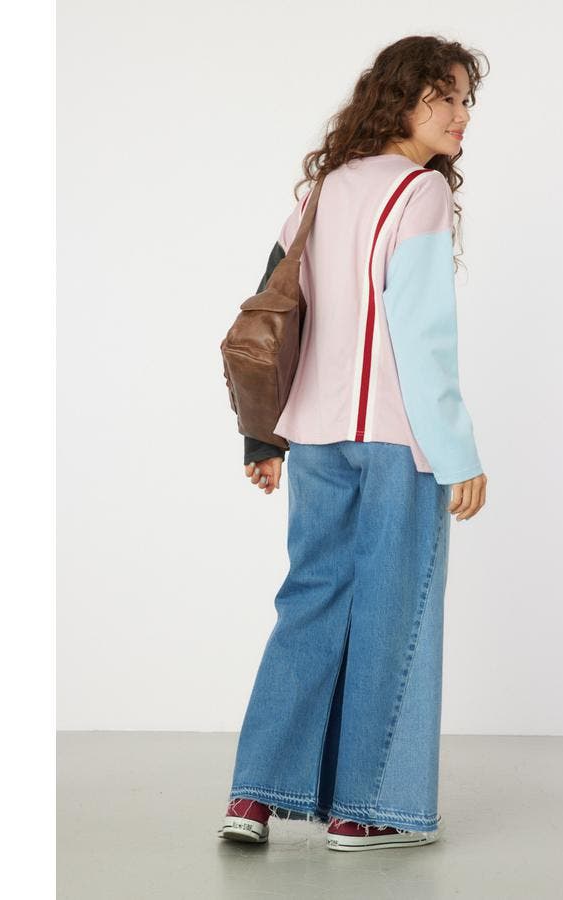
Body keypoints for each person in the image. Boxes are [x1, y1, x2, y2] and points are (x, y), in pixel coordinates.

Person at [219, 35, 489, 852]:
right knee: (389, 614)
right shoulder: (421, 193)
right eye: (444, 97)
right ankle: (363, 811)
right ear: (401, 99)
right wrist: (459, 452)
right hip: (398, 442)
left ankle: (253, 797)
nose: (461, 115)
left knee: (309, 602)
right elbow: (421, 337)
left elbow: (271, 307)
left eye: (466, 100)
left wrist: (261, 435)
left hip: (315, 436)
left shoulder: (326, 187)